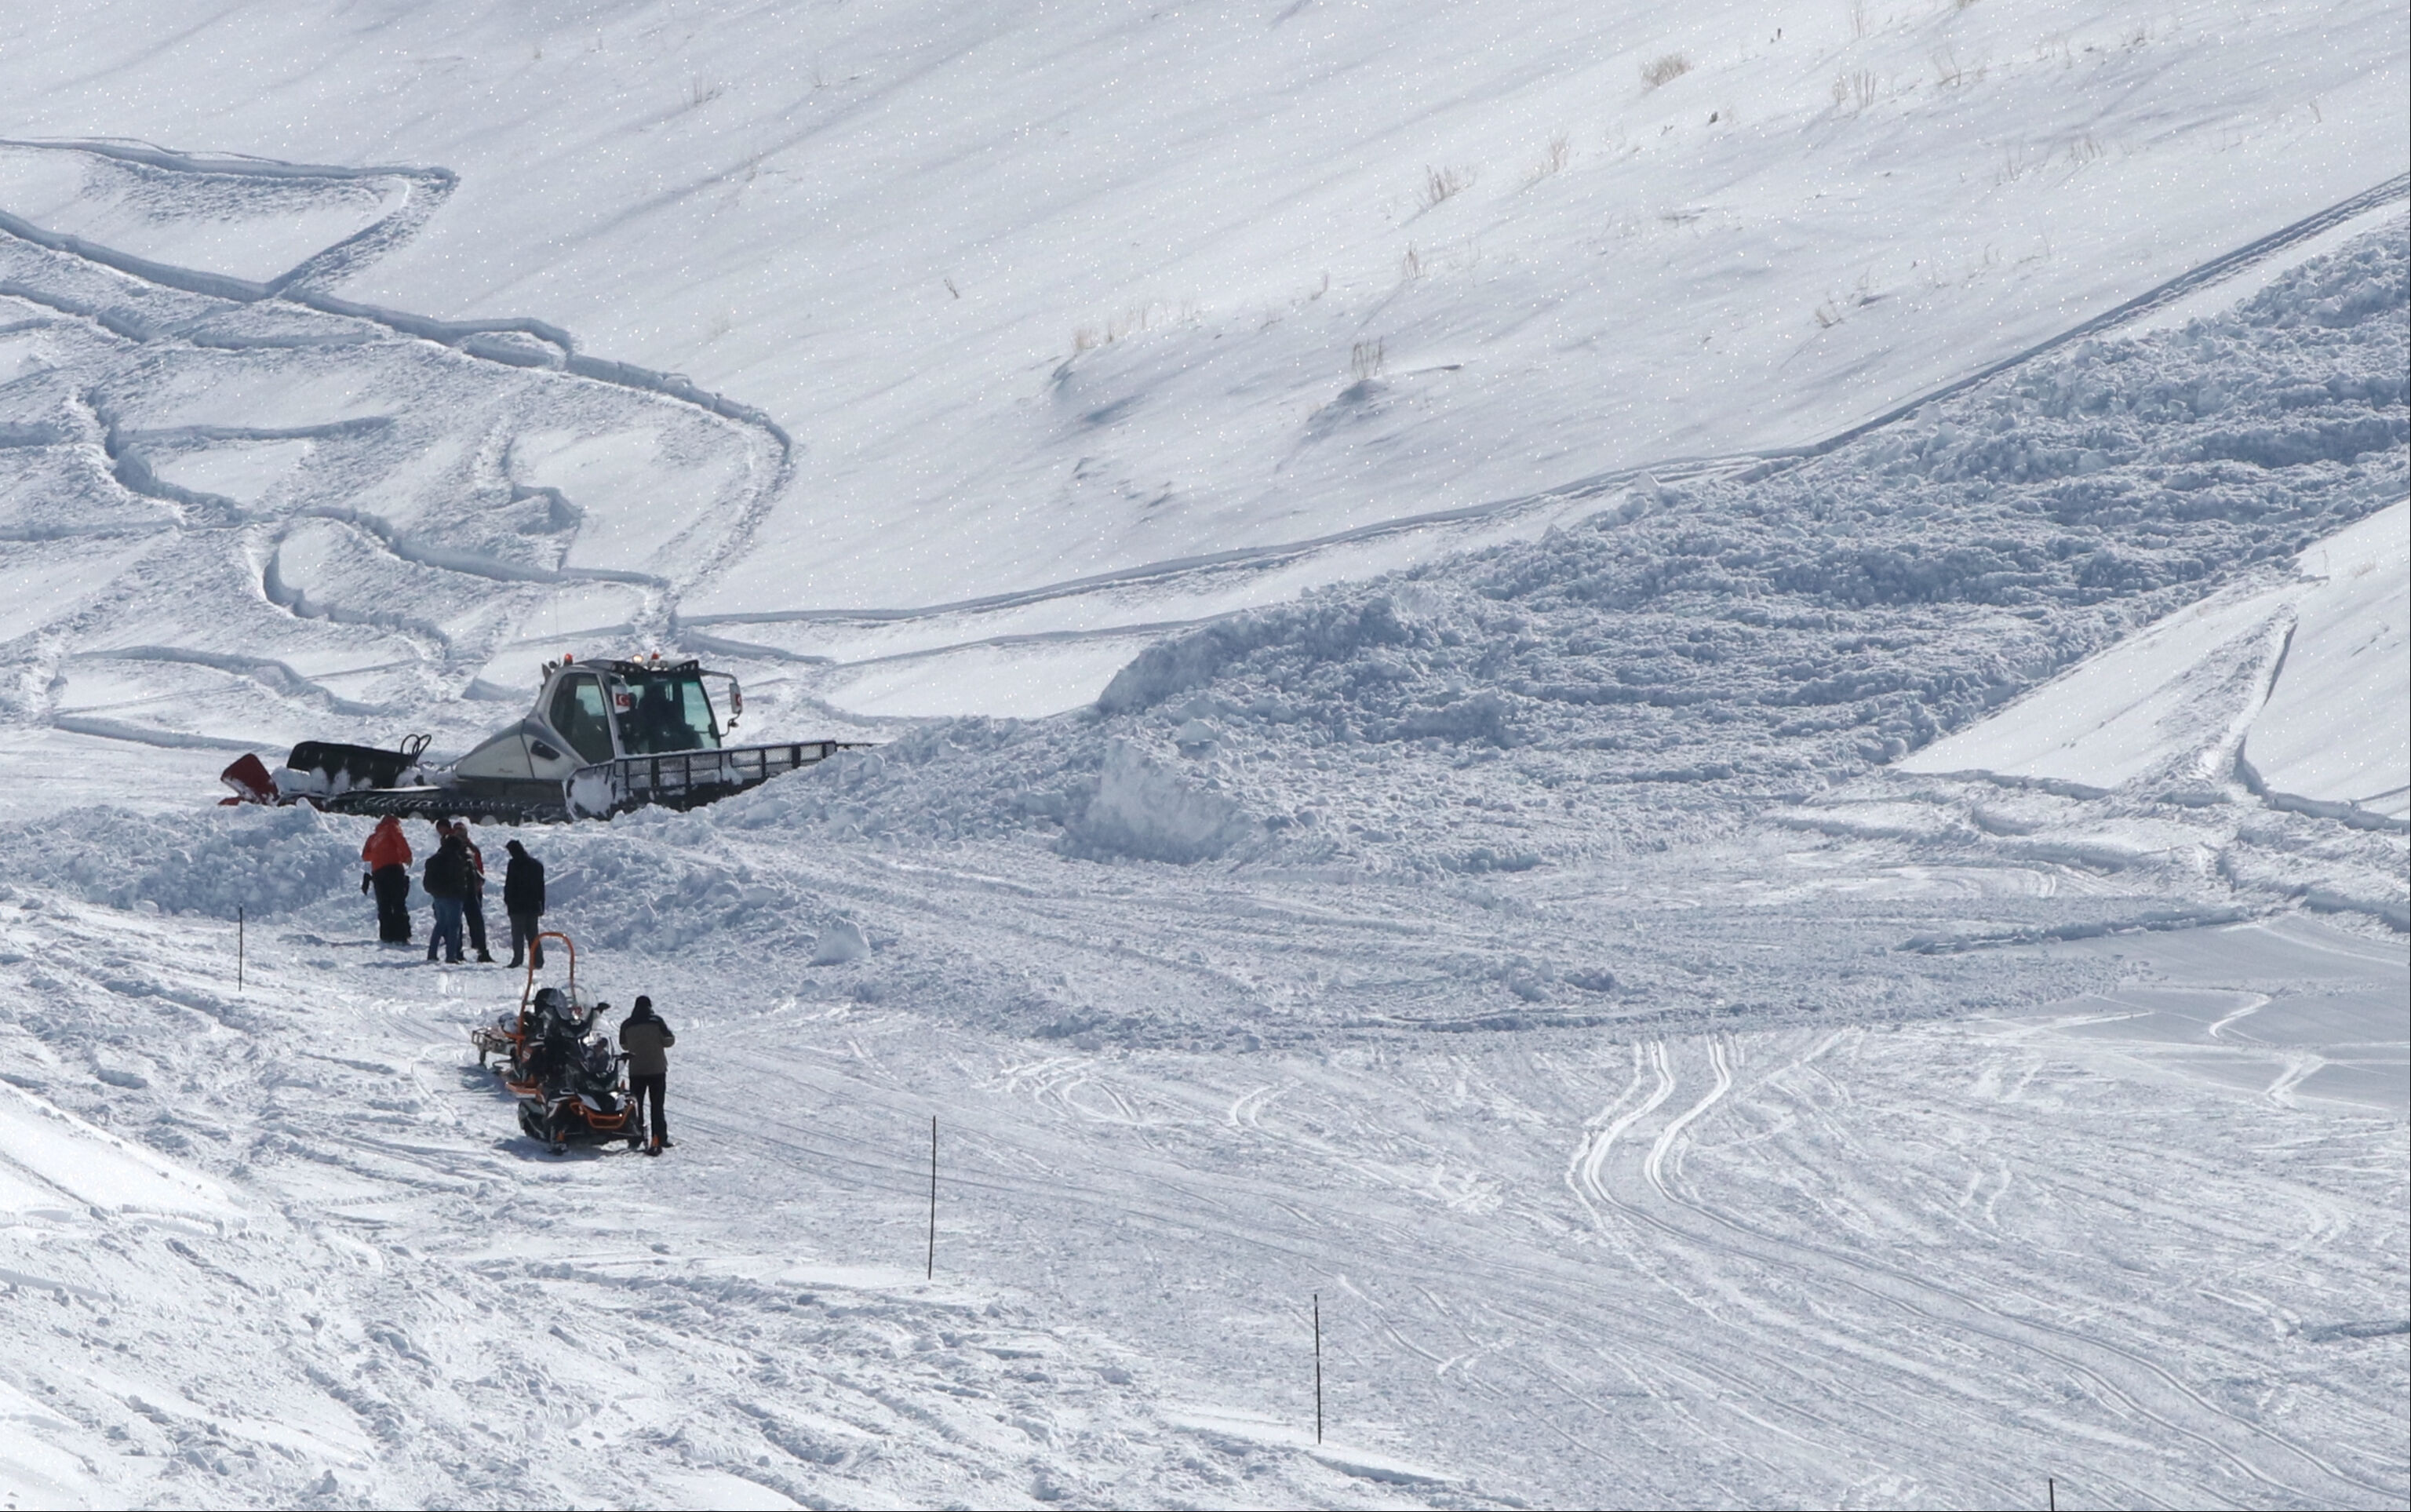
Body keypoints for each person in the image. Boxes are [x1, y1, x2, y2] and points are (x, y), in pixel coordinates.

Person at [618, 996, 676, 1153]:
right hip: (657, 1070)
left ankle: (636, 1136)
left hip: (637, 1071)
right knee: (657, 1106)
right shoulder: (657, 1021)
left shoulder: (627, 1024)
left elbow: (623, 1045)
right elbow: (669, 1040)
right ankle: (660, 1137)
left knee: (637, 1106)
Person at [360, 815, 413, 944]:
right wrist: (407, 856)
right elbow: (400, 840)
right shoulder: (392, 827)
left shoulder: (373, 837)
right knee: (398, 902)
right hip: (394, 868)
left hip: (378, 872)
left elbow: (365, 856)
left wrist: (378, 855)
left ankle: (386, 935)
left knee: (384, 904)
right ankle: (402, 935)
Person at [422, 825, 471, 964]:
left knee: (440, 924)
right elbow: (461, 879)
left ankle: (432, 953)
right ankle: (451, 955)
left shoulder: (434, 859)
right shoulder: (456, 860)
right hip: (454, 897)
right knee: (454, 926)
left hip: (438, 896)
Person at [453, 821, 497, 964]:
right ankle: (457, 951)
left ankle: (480, 949)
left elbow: (478, 868)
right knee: (458, 923)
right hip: (458, 892)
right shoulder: (451, 851)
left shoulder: (472, 850)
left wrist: (479, 882)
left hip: (472, 891)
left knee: (476, 922)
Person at [503, 840, 547, 969]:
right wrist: (542, 904)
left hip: (517, 906)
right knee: (533, 934)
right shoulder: (537, 865)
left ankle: (517, 960)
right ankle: (538, 960)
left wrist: (508, 900)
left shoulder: (513, 864)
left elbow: (509, 885)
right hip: (533, 905)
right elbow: (541, 887)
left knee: (517, 935)